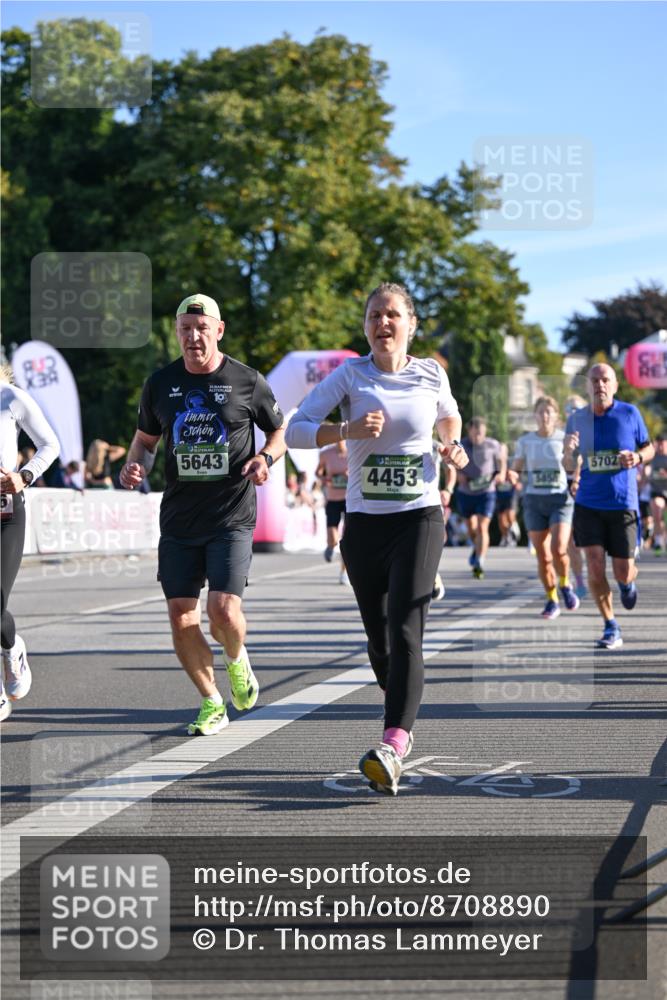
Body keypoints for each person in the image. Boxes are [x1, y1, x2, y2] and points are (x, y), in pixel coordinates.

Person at [286, 282, 468, 795]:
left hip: (419, 516)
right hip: (364, 523)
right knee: (380, 640)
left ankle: (393, 744)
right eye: (373, 316)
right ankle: (399, 695)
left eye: (392, 315)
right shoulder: (350, 375)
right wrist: (345, 431)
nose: (382, 324)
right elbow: (297, 429)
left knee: (407, 630)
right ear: (365, 326)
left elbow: (448, 412)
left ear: (410, 324)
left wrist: (451, 444)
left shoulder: (431, 372)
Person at [119, 293, 285, 734]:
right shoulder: (160, 383)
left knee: (224, 611)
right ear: (177, 332)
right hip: (178, 518)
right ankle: (212, 702)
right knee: (180, 615)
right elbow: (145, 441)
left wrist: (266, 459)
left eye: (201, 329)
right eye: (185, 330)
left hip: (230, 513)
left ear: (219, 330)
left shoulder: (247, 381)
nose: (193, 337)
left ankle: (236, 659)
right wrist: (136, 464)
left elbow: (279, 431)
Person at [563, 363, 654, 650]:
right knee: (593, 562)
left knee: (623, 570)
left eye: (605, 380)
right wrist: (567, 452)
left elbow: (649, 448)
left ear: (614, 385)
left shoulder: (630, 414)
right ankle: (610, 624)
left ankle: (628, 584)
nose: (599, 385)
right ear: (587, 386)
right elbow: (567, 465)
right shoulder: (576, 419)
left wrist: (637, 459)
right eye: (594, 380)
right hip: (588, 502)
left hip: (622, 504)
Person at [1, 367, 60, 722]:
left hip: (6, 514)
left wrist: (23, 476)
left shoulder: (10, 397)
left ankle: (11, 648)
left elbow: (50, 445)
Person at [512, 396, 580, 619]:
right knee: (542, 555)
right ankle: (552, 598)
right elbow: (517, 467)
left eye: (549, 412)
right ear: (535, 415)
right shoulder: (526, 441)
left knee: (559, 548)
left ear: (556, 416)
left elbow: (571, 467)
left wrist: (571, 461)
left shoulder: (564, 438)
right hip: (534, 500)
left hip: (560, 499)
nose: (545, 416)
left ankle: (565, 584)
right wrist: (512, 475)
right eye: (541, 412)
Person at [456, 417, 505, 579]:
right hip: (466, 492)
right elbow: (450, 463)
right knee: (472, 528)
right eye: (475, 434)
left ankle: (480, 561)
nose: (478, 437)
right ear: (469, 431)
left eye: (481, 434)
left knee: (483, 527)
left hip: (486, 492)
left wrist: (502, 473)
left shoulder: (492, 444)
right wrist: (458, 475)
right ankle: (476, 548)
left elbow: (502, 456)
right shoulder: (461, 445)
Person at [316, 438, 351, 585]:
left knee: (347, 540)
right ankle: (330, 545)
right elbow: (318, 472)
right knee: (333, 537)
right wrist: (325, 478)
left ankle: (344, 572)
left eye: (343, 440)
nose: (340, 442)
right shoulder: (325, 454)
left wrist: (351, 475)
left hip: (350, 499)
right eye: (337, 439)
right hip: (332, 498)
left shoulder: (354, 451)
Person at [646, 434, 667, 553]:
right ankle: (658, 542)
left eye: (663, 444)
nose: (660, 447)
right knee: (657, 512)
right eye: (658, 444)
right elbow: (645, 470)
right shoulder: (653, 457)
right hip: (656, 491)